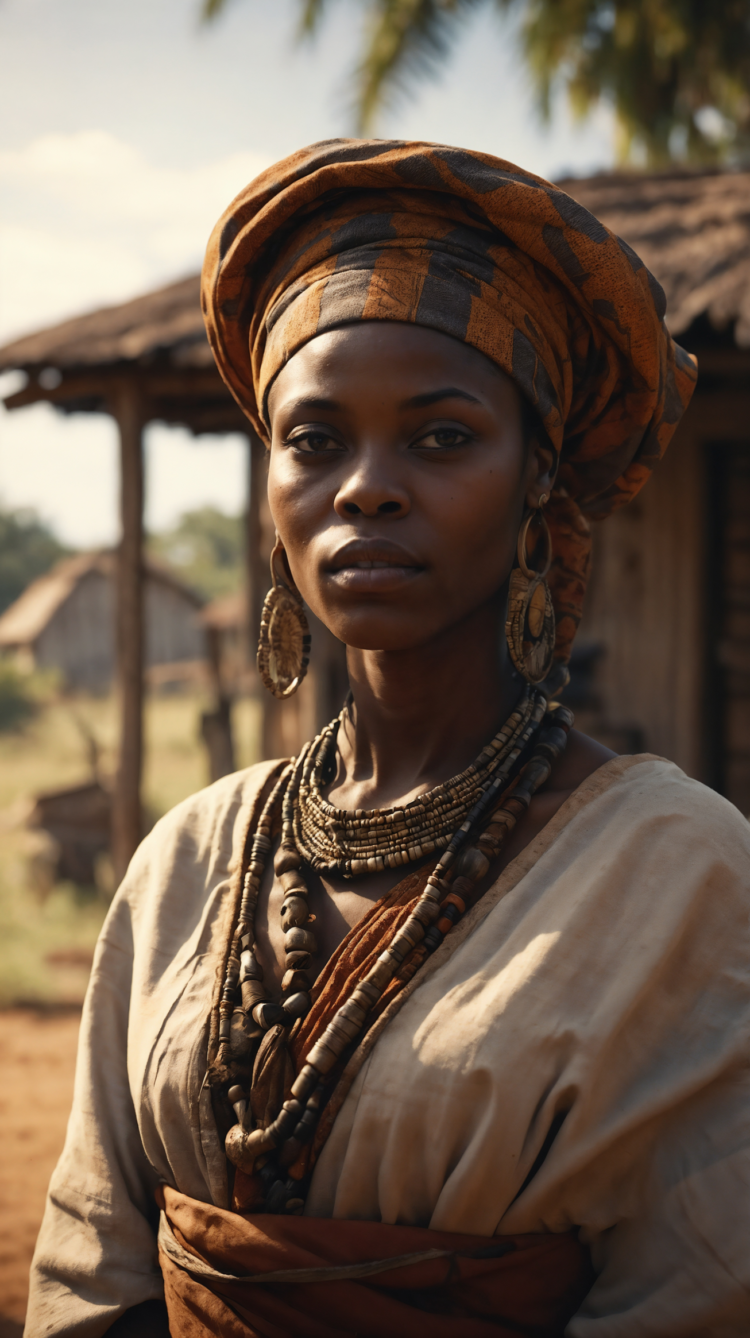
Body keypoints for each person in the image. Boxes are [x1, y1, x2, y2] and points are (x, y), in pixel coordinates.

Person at [23, 140, 750, 1338]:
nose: (366, 487)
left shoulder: (676, 871)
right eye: (314, 442)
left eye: (443, 436)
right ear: (271, 489)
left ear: (537, 485)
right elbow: (91, 1266)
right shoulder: (189, 862)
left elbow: (699, 1284)